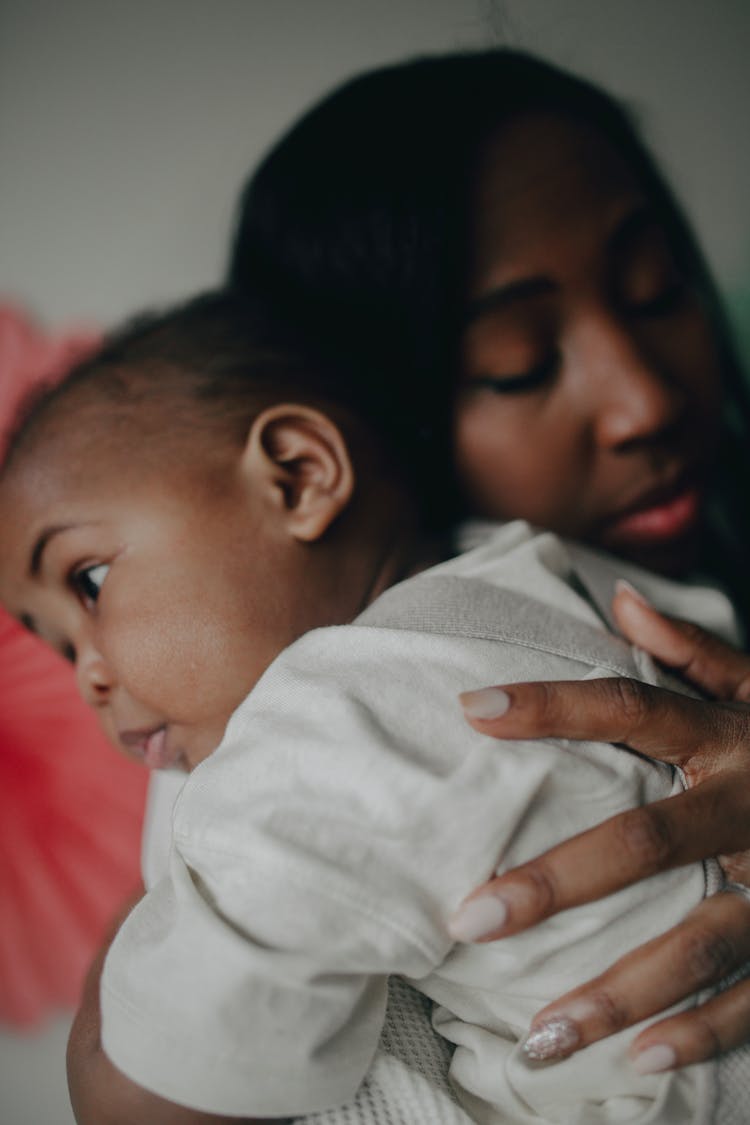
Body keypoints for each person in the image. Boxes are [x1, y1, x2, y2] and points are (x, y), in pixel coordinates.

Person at [3, 289, 749, 1125]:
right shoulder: (543, 570)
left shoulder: (330, 722)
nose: (87, 677)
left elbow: (139, 1103)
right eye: (60, 644)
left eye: (89, 581)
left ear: (298, 475)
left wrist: (99, 1025)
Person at [225, 47, 750, 1067]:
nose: (645, 401)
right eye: (519, 365)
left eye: (655, 289)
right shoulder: (305, 755)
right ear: (357, 433)